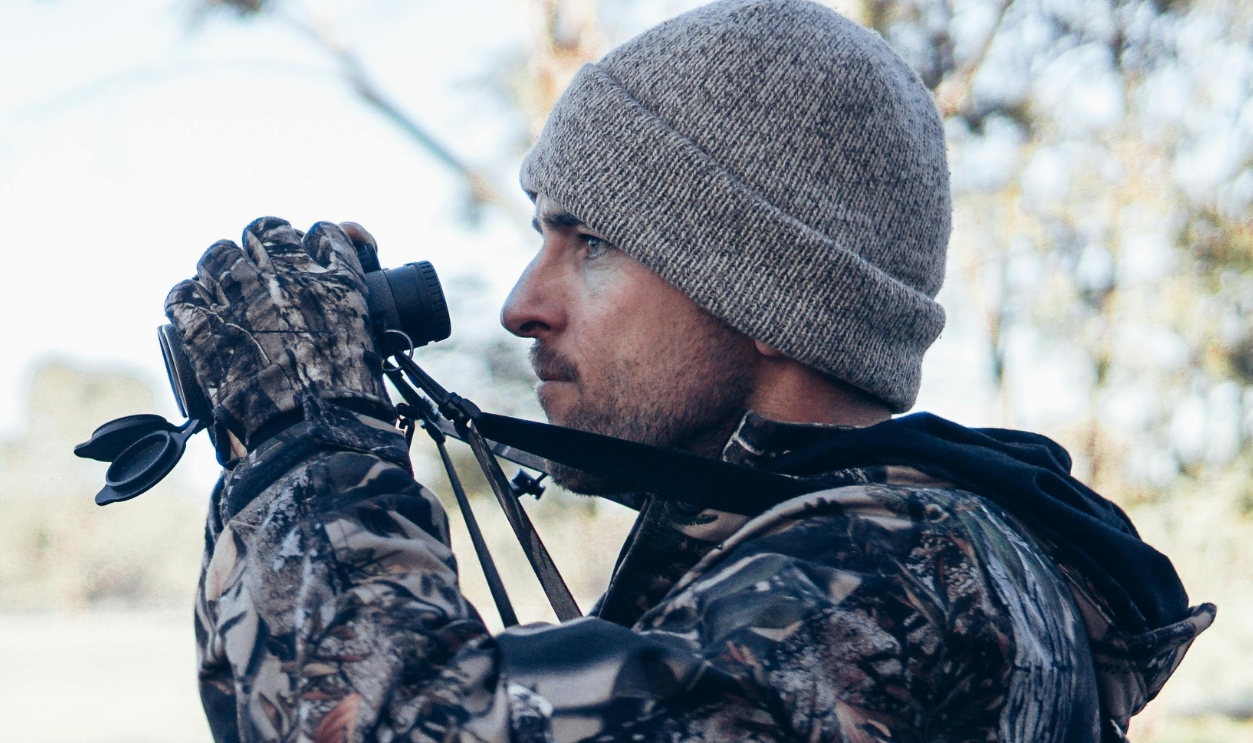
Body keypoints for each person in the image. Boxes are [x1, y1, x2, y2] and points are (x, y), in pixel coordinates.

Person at [165, 1, 1214, 741]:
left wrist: (312, 442)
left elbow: (394, 723)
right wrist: (277, 457)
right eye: (541, 238)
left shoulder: (887, 573)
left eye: (591, 243)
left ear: (769, 292)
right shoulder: (850, 556)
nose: (523, 303)